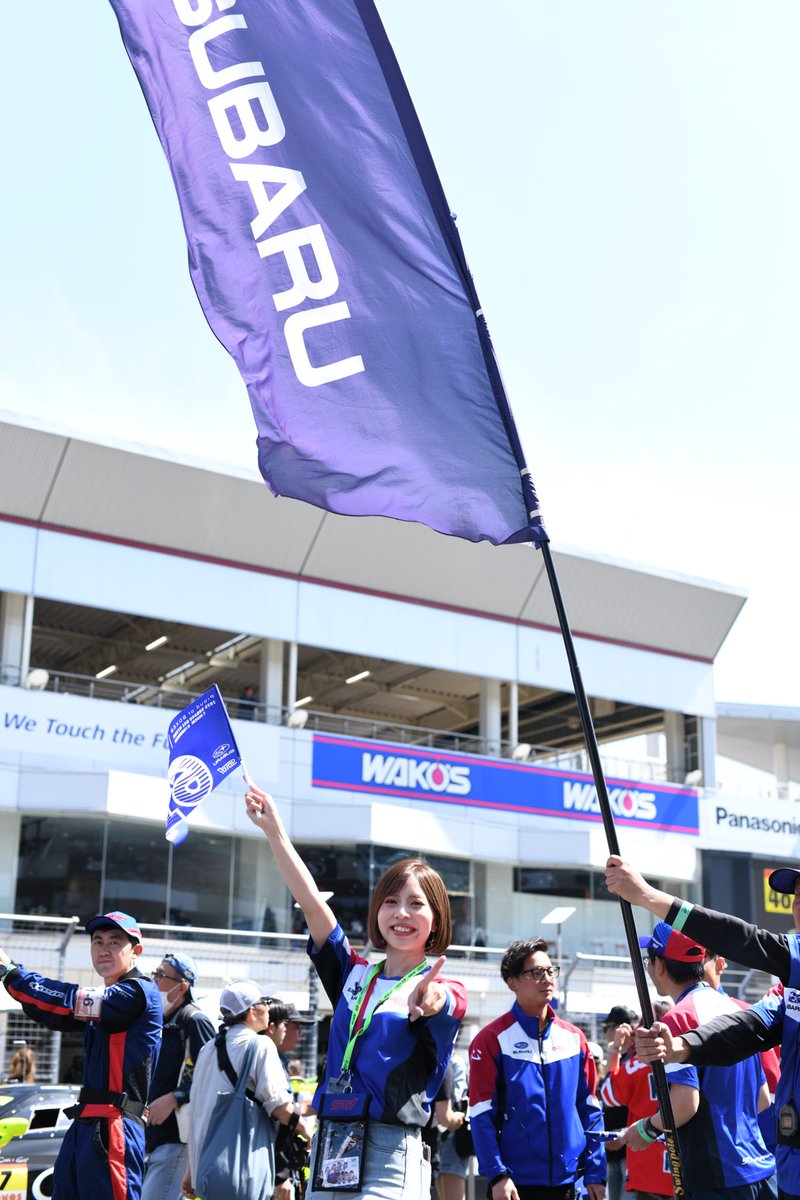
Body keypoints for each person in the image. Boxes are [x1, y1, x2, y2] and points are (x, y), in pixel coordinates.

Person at [245, 782, 468, 1200]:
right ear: (376, 911)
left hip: (391, 1150)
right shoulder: (355, 975)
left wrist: (429, 1001)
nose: (401, 913)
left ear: (436, 920)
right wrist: (274, 831)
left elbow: (444, 1002)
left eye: (416, 904)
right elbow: (312, 905)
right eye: (390, 902)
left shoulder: (444, 986)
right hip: (332, 1141)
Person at [605, 856, 797, 1196]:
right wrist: (683, 1047)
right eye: (796, 897)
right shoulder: (759, 1000)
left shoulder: (679, 1015)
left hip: (720, 1177)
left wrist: (648, 896)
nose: (797, 906)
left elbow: (743, 939)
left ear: (659, 965)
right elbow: (751, 1029)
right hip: (775, 1168)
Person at [0, 910, 161, 1200]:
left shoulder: (138, 992)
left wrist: (14, 974)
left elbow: (68, 1000)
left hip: (116, 1126)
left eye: (115, 941)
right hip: (86, 1123)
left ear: (136, 951)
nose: (104, 949)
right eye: (98, 941)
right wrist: (9, 974)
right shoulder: (106, 997)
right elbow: (50, 1011)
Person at [468, 937, 606, 1200]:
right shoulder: (490, 1040)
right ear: (512, 983)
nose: (547, 978)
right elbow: (481, 1115)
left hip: (571, 1183)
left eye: (550, 970)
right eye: (536, 972)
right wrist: (497, 1175)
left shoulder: (575, 1038)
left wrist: (595, 1172)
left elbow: (590, 1109)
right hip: (514, 1185)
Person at [182, 980, 313, 1200]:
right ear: (252, 1011)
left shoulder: (208, 1049)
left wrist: (191, 1170)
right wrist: (306, 1131)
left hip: (206, 1170)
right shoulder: (259, 1046)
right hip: (241, 1172)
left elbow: (196, 1111)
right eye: (265, 1002)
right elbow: (280, 1106)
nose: (269, 1008)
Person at [141, 952, 215, 1200]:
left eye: (161, 975)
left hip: (177, 1138)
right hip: (152, 1136)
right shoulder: (160, 1021)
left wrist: (175, 1097)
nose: (154, 981)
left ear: (182, 986)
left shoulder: (194, 1020)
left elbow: (211, 1078)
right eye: (154, 973)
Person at [601, 998, 677, 1200]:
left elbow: (608, 1095)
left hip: (647, 1165)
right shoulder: (689, 1058)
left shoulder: (637, 1065)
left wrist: (616, 1048)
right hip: (683, 1166)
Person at [601, 1006, 639, 1200]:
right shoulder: (618, 1059)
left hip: (632, 1148)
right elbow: (607, 1090)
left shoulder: (636, 1060)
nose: (605, 1032)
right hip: (613, 1150)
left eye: (606, 1027)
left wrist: (623, 1135)